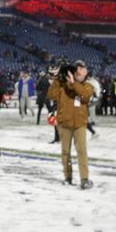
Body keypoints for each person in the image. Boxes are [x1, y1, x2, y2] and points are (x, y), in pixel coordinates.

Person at [47, 60, 94, 189]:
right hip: (64, 123)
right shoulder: (62, 85)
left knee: (82, 151)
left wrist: (73, 83)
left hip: (79, 124)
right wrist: (57, 79)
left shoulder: (88, 86)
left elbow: (85, 96)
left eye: (82, 70)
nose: (79, 72)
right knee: (65, 152)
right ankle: (68, 178)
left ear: (86, 73)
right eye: (77, 69)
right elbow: (51, 95)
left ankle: (84, 179)